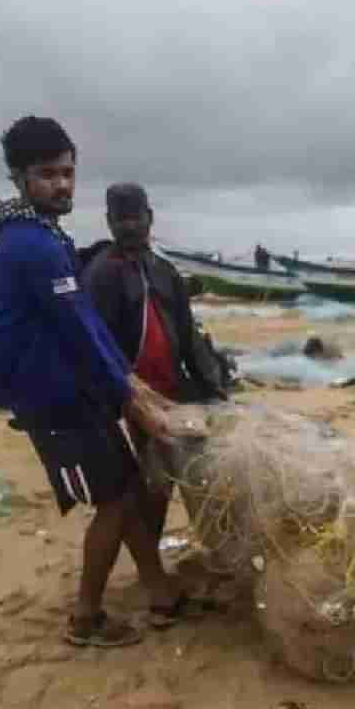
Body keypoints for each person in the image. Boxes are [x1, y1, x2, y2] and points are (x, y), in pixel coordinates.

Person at [0, 116, 204, 648]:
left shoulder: (46, 233)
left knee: (128, 488)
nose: (62, 184)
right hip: (52, 397)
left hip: (73, 388)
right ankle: (86, 619)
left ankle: (159, 591)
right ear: (20, 178)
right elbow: (80, 327)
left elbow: (85, 323)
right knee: (113, 502)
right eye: (48, 174)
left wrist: (133, 386)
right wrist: (135, 397)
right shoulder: (32, 245)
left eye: (68, 172)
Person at [82, 183, 230, 540]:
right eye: (121, 219)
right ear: (109, 222)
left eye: (136, 217)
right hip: (130, 398)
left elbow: (189, 336)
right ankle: (151, 565)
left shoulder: (165, 272)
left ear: (150, 217)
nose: (129, 225)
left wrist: (213, 389)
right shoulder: (101, 274)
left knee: (192, 472)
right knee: (149, 483)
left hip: (172, 391)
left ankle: (198, 547)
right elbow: (93, 344)